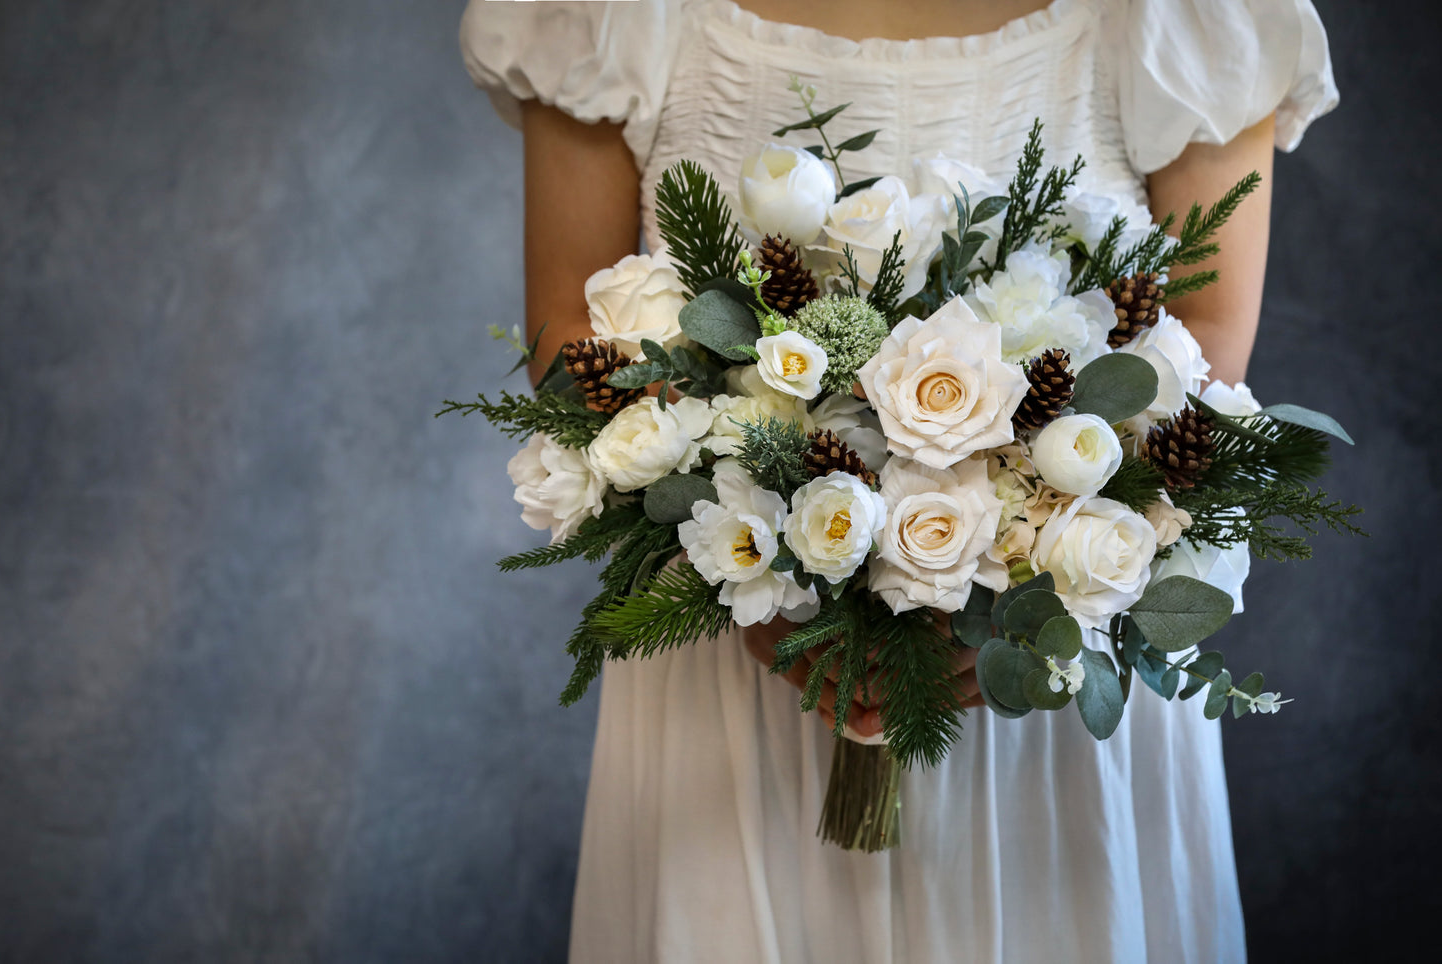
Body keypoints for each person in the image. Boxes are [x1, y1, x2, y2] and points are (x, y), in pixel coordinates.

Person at [460, 1, 1337, 960]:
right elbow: (571, 336)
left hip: (1052, 647)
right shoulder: (608, 17)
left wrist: (1009, 595)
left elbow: (1200, 343)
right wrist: (770, 581)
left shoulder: (1183, 19)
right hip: (730, 632)